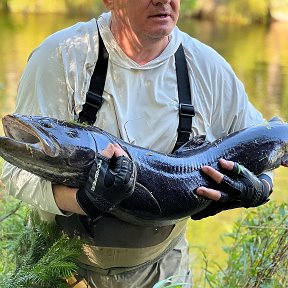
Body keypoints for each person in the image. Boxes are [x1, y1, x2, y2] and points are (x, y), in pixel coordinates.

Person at [1, 0, 273, 287]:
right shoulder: (60, 56)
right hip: (61, 269)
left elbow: (266, 141)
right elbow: (16, 174)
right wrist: (81, 201)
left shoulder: (209, 68)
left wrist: (261, 187)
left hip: (164, 271)